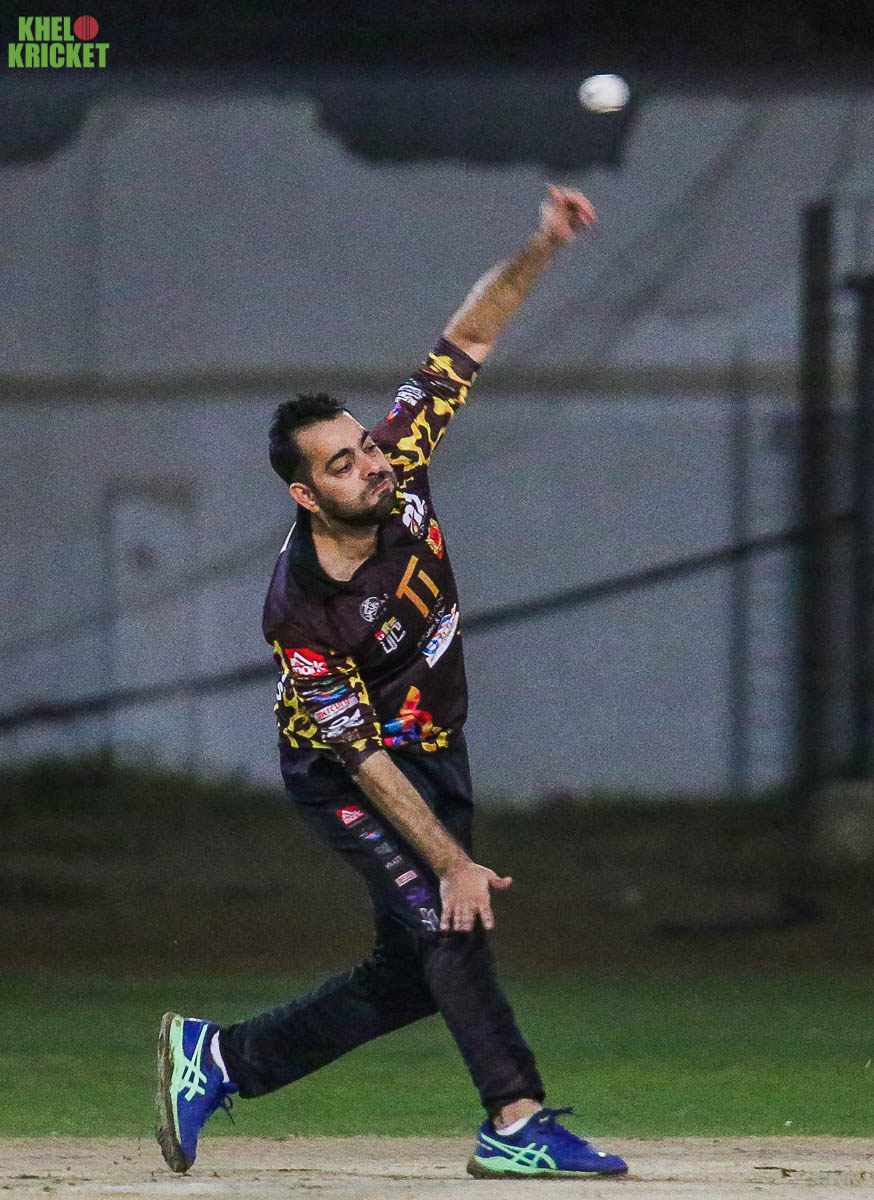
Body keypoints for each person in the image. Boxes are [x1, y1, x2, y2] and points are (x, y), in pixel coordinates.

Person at [156, 185, 628, 1180]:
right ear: (305, 493)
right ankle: (515, 1119)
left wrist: (542, 243)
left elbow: (470, 335)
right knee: (448, 920)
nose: (370, 464)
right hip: (347, 775)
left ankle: (222, 1059)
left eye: (365, 445)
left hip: (436, 748)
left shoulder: (399, 468)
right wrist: (451, 861)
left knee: (411, 975)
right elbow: (362, 758)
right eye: (343, 463)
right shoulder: (301, 613)